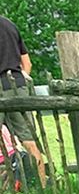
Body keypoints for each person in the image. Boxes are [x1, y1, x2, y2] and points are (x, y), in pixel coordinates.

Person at [0, 13, 46, 185]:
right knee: (28, 138)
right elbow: (27, 63)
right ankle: (43, 186)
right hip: (18, 84)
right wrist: (22, 79)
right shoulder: (10, 25)